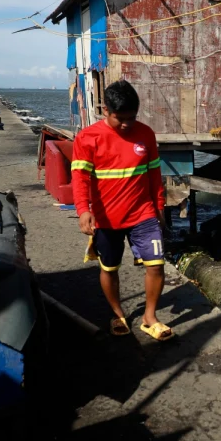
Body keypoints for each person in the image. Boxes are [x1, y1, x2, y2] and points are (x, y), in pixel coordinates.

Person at [72, 80, 173, 341]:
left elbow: (154, 175)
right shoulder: (87, 138)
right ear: (105, 110)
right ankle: (117, 314)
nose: (128, 124)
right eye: (121, 118)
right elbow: (80, 178)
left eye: (132, 117)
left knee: (156, 265)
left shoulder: (146, 134)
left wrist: (159, 207)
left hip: (143, 213)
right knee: (109, 268)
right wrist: (83, 210)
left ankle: (150, 317)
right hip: (106, 219)